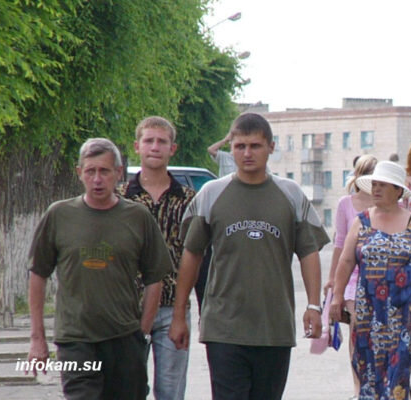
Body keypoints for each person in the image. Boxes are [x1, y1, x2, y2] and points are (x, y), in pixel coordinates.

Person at [169, 113, 330, 400]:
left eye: (255, 146)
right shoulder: (211, 193)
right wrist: (179, 314)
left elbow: (309, 252)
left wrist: (314, 306)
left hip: (274, 327)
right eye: (240, 146)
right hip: (223, 327)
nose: (247, 153)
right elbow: (192, 254)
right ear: (230, 148)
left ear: (271, 147)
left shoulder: (290, 194)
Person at [27, 138, 171, 400]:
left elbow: (155, 276)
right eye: (90, 171)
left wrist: (143, 330)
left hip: (124, 338)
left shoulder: (137, 217)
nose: (97, 179)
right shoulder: (59, 215)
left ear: (118, 172)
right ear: (79, 172)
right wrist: (38, 338)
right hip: (76, 340)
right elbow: (38, 273)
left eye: (104, 171)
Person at [329, 160, 411, 400]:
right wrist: (337, 297)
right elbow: (346, 261)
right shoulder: (362, 221)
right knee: (368, 370)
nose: (376, 189)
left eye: (383, 185)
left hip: (406, 310)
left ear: (398, 191)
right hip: (369, 310)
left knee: (399, 373)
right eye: (375, 185)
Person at [118, 117, 196, 400]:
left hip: (173, 307)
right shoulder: (119, 197)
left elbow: (196, 256)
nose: (155, 147)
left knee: (170, 392)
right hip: (126, 309)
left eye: (162, 141)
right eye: (148, 140)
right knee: (127, 388)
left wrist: (183, 314)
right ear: (137, 146)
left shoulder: (188, 199)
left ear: (172, 148)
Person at [323, 154, 377, 399]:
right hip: (353, 275)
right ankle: (358, 385)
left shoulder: (386, 203)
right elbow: (340, 243)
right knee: (358, 327)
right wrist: (333, 279)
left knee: (377, 331)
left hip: (379, 275)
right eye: (365, 174)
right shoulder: (346, 203)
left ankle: (375, 380)